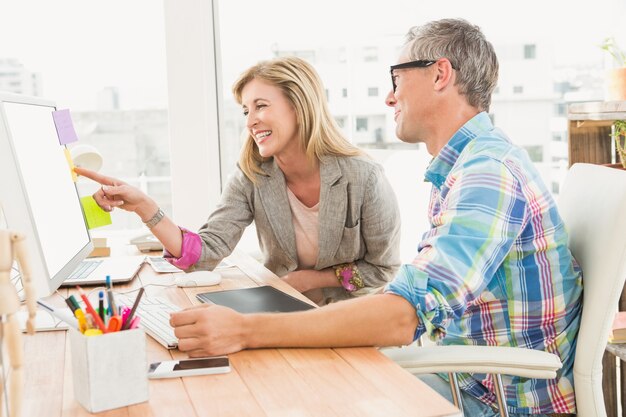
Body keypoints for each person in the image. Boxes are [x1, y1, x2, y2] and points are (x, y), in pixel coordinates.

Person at [167, 19, 583, 416]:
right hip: (461, 372)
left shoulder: (487, 175)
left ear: (440, 75)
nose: (389, 97)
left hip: (493, 398)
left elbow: (403, 314)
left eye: (397, 79)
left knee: (288, 393)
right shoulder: (468, 167)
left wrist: (244, 330)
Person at [76, 56, 402, 305]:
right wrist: (145, 208)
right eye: (246, 110)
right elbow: (203, 253)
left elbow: (382, 268)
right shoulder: (252, 175)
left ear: (300, 107)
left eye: (261, 106)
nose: (251, 121)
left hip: (350, 317)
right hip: (281, 311)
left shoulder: (363, 177)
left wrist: (310, 279)